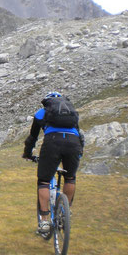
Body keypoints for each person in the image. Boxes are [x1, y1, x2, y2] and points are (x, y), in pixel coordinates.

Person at [22, 92, 84, 234]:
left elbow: (32, 137)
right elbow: (79, 135)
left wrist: (27, 154)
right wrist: (80, 151)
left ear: (47, 103)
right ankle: (65, 212)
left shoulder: (41, 113)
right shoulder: (72, 113)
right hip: (73, 144)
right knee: (70, 177)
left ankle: (44, 221)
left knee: (43, 181)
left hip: (53, 143)